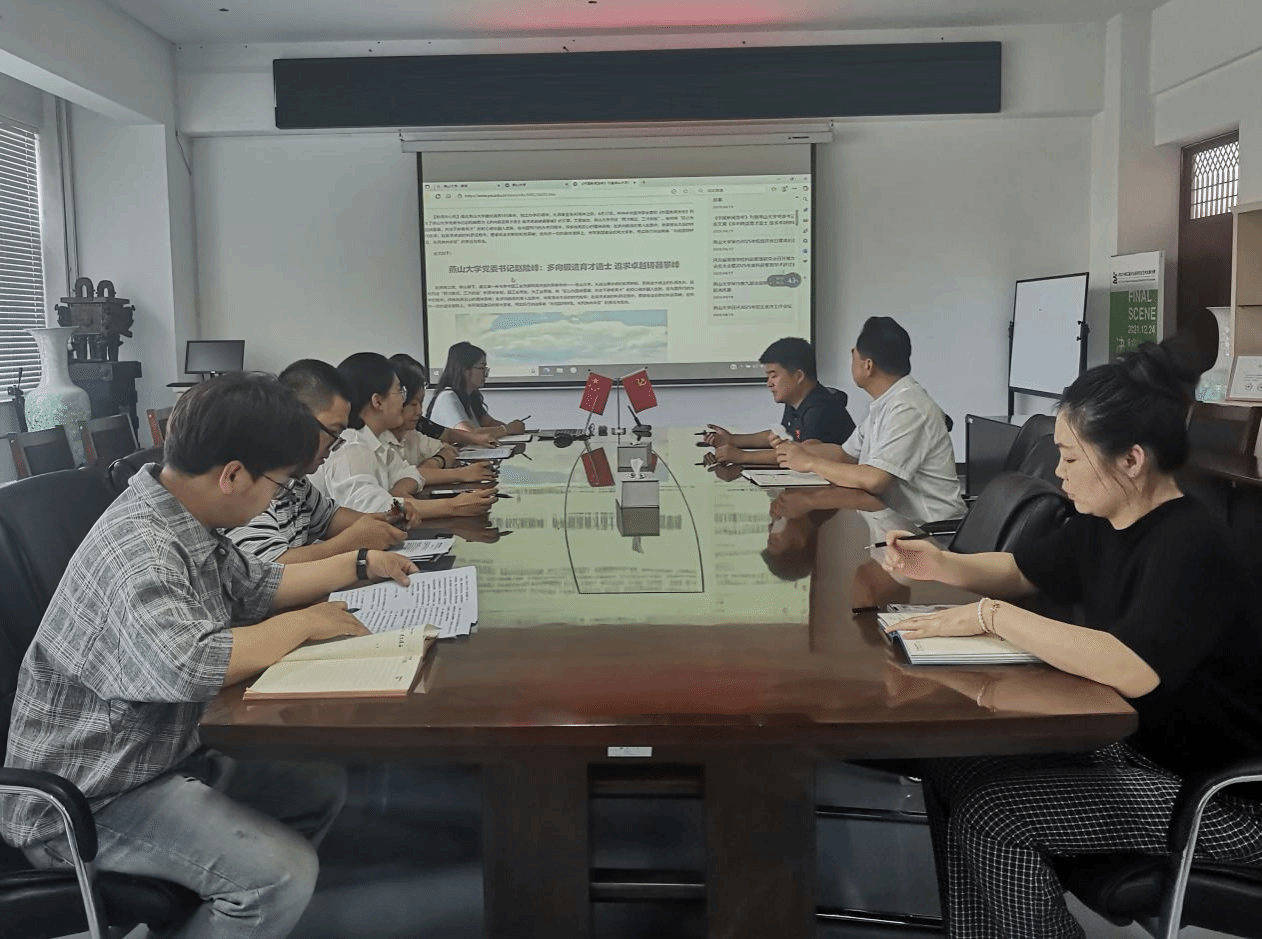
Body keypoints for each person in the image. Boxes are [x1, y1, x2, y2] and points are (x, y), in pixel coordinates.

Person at [0, 374, 417, 939]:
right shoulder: (141, 549)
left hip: (155, 759)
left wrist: (359, 564)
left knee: (314, 786)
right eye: (277, 484)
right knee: (278, 876)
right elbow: (190, 665)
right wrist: (306, 622)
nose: (275, 498)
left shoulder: (183, 518)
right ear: (233, 475)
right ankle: (245, 903)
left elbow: (259, 584)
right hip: (88, 798)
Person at [880, 338, 1262, 938]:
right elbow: (1021, 569)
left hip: (1223, 797)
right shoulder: (1106, 521)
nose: (1058, 473)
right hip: (1138, 750)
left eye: (1070, 457)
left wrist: (993, 618)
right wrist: (939, 565)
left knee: (995, 816)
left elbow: (1133, 667)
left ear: (1131, 459)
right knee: (952, 763)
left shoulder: (1193, 544)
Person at [775, 316, 965, 527]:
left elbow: (875, 480)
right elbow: (845, 454)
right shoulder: (887, 401)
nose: (851, 358)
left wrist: (811, 463)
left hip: (929, 531)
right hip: (892, 521)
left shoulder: (908, 408)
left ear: (868, 366)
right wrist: (797, 451)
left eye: (853, 354)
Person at [227, 358, 409, 562]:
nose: (335, 447)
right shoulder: (251, 482)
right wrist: (350, 543)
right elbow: (269, 567)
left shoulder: (296, 481)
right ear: (294, 420)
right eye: (332, 432)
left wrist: (383, 522)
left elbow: (329, 518)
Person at [312, 352, 497, 526]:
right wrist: (452, 506)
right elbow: (373, 508)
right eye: (400, 391)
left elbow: (411, 473)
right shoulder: (350, 446)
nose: (403, 400)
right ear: (377, 401)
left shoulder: (376, 440)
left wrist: (400, 490)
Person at [702, 337, 855, 466]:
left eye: (774, 376)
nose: (769, 383)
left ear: (798, 376)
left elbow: (805, 452)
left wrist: (743, 456)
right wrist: (732, 440)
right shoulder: (796, 400)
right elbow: (781, 436)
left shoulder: (821, 408)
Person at [386, 353, 497, 487]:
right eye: (413, 404)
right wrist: (462, 473)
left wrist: (435, 462)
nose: (419, 411)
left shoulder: (410, 434)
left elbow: (446, 449)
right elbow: (407, 479)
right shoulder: (379, 440)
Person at [426, 341, 526, 438]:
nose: (486, 374)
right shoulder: (447, 397)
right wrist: (507, 429)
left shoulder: (471, 396)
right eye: (481, 368)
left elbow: (489, 423)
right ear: (465, 370)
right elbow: (467, 433)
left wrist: (512, 428)